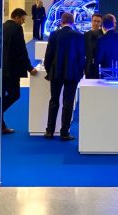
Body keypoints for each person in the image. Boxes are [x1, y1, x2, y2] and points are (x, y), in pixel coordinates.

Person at [43, 13, 85, 141]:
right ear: (73, 22)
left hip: (56, 73)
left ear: (62, 22)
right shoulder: (79, 36)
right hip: (72, 73)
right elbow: (81, 58)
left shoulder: (54, 35)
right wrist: (79, 73)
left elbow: (48, 56)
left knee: (54, 101)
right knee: (68, 102)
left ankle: (49, 131)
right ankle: (64, 132)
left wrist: (49, 70)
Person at [1, 8, 38, 134]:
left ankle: (1, 125)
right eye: (22, 19)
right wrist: (30, 68)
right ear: (16, 17)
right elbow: (21, 51)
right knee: (15, 95)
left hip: (1, 69)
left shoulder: (2, 27)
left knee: (3, 96)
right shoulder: (17, 29)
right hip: (11, 70)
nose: (23, 22)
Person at [84, 13, 103, 79]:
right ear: (91, 21)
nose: (96, 23)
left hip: (101, 67)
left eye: (98, 21)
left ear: (101, 23)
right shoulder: (86, 35)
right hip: (89, 67)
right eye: (94, 21)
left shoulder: (103, 35)